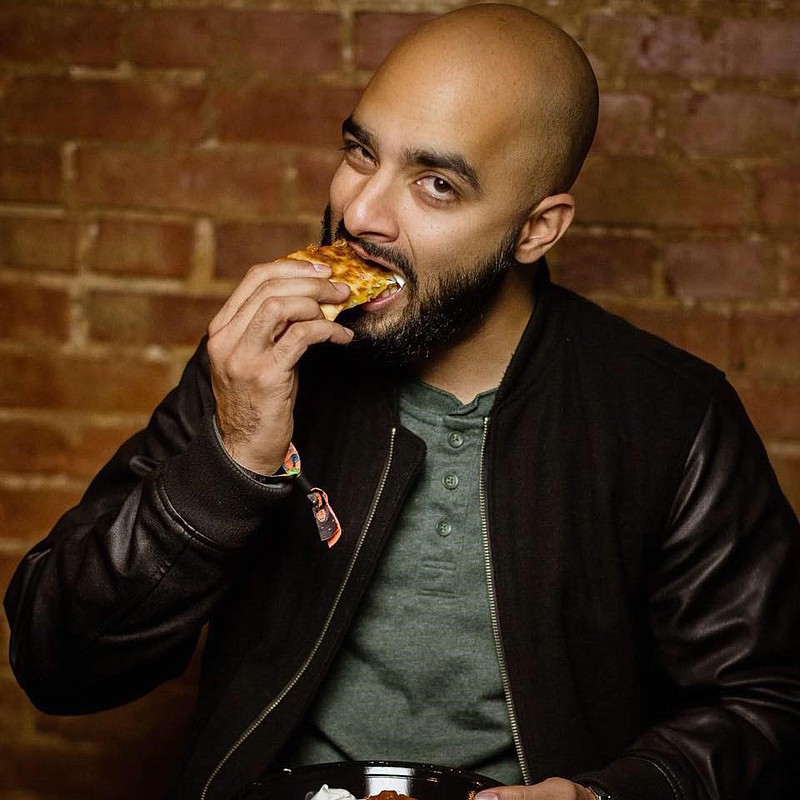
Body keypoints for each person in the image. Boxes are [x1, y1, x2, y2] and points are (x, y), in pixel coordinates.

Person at [5, 5, 800, 800]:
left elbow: (770, 699)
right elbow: (59, 663)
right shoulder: (266, 364)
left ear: (537, 229)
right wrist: (233, 456)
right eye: (360, 152)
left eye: (436, 184)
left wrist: (611, 795)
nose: (360, 214)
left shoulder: (671, 415)